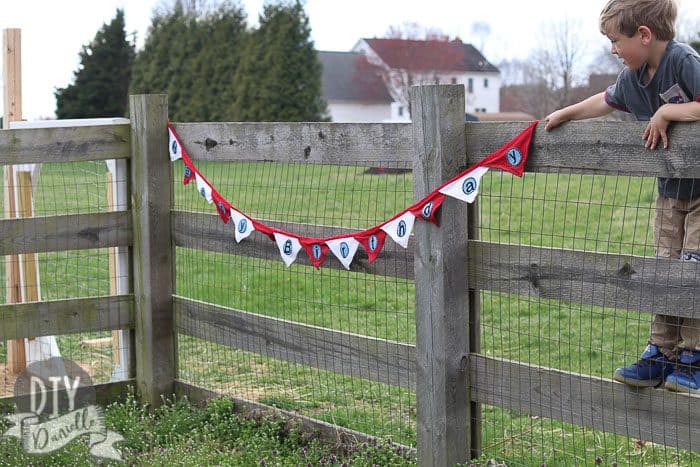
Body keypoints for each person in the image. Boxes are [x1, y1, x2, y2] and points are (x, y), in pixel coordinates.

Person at [544, 0, 700, 392]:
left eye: (617, 40)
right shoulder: (633, 77)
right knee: (664, 270)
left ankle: (695, 356)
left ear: (644, 35)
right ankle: (661, 354)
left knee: (694, 270)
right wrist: (566, 113)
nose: (613, 49)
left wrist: (666, 114)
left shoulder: (682, 61)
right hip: (669, 192)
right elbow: (605, 100)